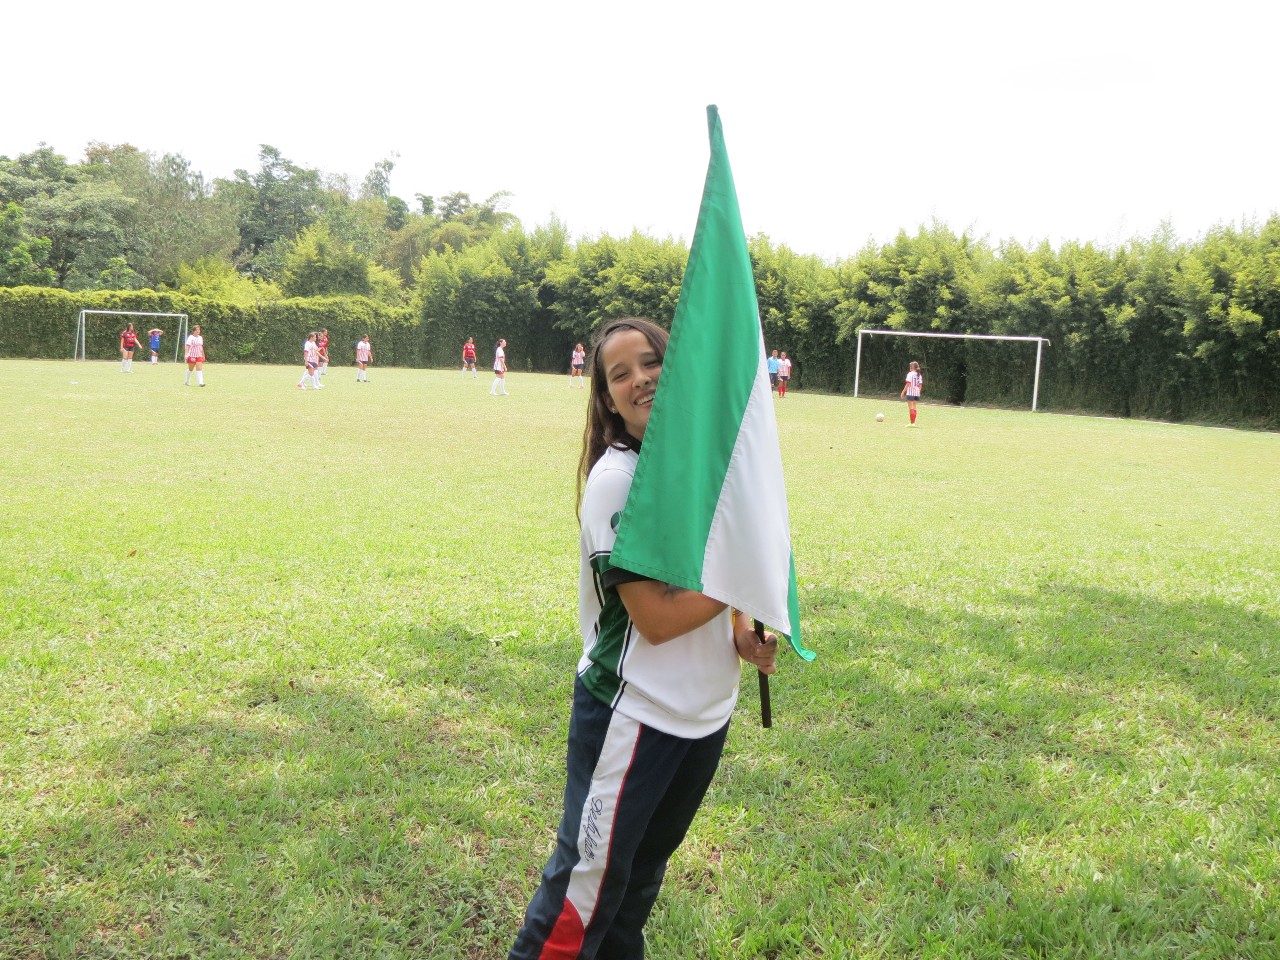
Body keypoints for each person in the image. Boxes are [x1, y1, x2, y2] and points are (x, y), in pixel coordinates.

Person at [508, 317, 780, 959]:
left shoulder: (705, 467)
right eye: (620, 374)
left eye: (651, 362)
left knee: (634, 888)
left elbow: (712, 576)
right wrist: (749, 576)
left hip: (704, 716)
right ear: (607, 398)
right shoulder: (617, 482)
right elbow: (655, 620)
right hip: (632, 718)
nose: (641, 380)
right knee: (582, 895)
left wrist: (744, 628)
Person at [901, 360, 923, 425]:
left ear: (912, 367)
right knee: (914, 407)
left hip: (910, 393)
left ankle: (912, 423)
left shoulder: (910, 374)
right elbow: (920, 385)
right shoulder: (919, 375)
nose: (910, 367)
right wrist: (918, 392)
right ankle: (913, 423)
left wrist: (903, 392)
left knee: (911, 407)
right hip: (917, 393)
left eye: (910, 366)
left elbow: (908, 383)